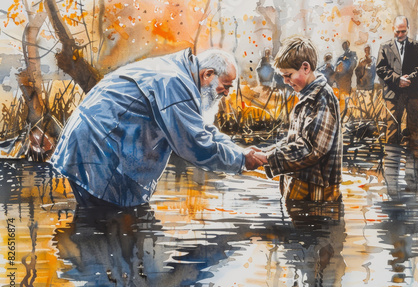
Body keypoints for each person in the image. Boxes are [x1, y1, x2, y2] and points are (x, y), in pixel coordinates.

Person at [50, 48, 263, 208]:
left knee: (110, 228)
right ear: (207, 74)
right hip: (98, 152)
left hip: (93, 147)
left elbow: (201, 130)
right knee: (107, 223)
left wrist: (239, 151)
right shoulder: (175, 82)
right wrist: (242, 161)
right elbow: (196, 144)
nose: (226, 93)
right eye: (225, 86)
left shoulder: (178, 74)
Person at [253, 36, 343, 202]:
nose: (285, 81)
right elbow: (295, 140)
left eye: (288, 75)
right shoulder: (307, 98)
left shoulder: (323, 98)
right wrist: (266, 152)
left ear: (306, 68)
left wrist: (269, 158)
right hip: (302, 187)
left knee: (313, 228)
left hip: (317, 193)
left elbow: (311, 149)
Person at [376, 16, 418, 159]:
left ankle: (416, 162)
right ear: (393, 29)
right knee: (392, 129)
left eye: (403, 32)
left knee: (416, 127)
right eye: (397, 32)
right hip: (393, 93)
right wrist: (397, 80)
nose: (400, 35)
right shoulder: (384, 47)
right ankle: (391, 163)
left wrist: (409, 79)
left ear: (408, 29)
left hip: (413, 93)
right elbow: (380, 69)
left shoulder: (416, 46)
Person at [333, 40, 357, 109]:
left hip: (346, 77)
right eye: (343, 46)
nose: (344, 47)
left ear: (348, 45)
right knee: (341, 96)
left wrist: (347, 71)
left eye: (345, 45)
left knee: (347, 95)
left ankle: (347, 110)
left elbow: (353, 64)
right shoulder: (340, 57)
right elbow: (336, 67)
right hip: (340, 79)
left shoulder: (352, 54)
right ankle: (341, 112)